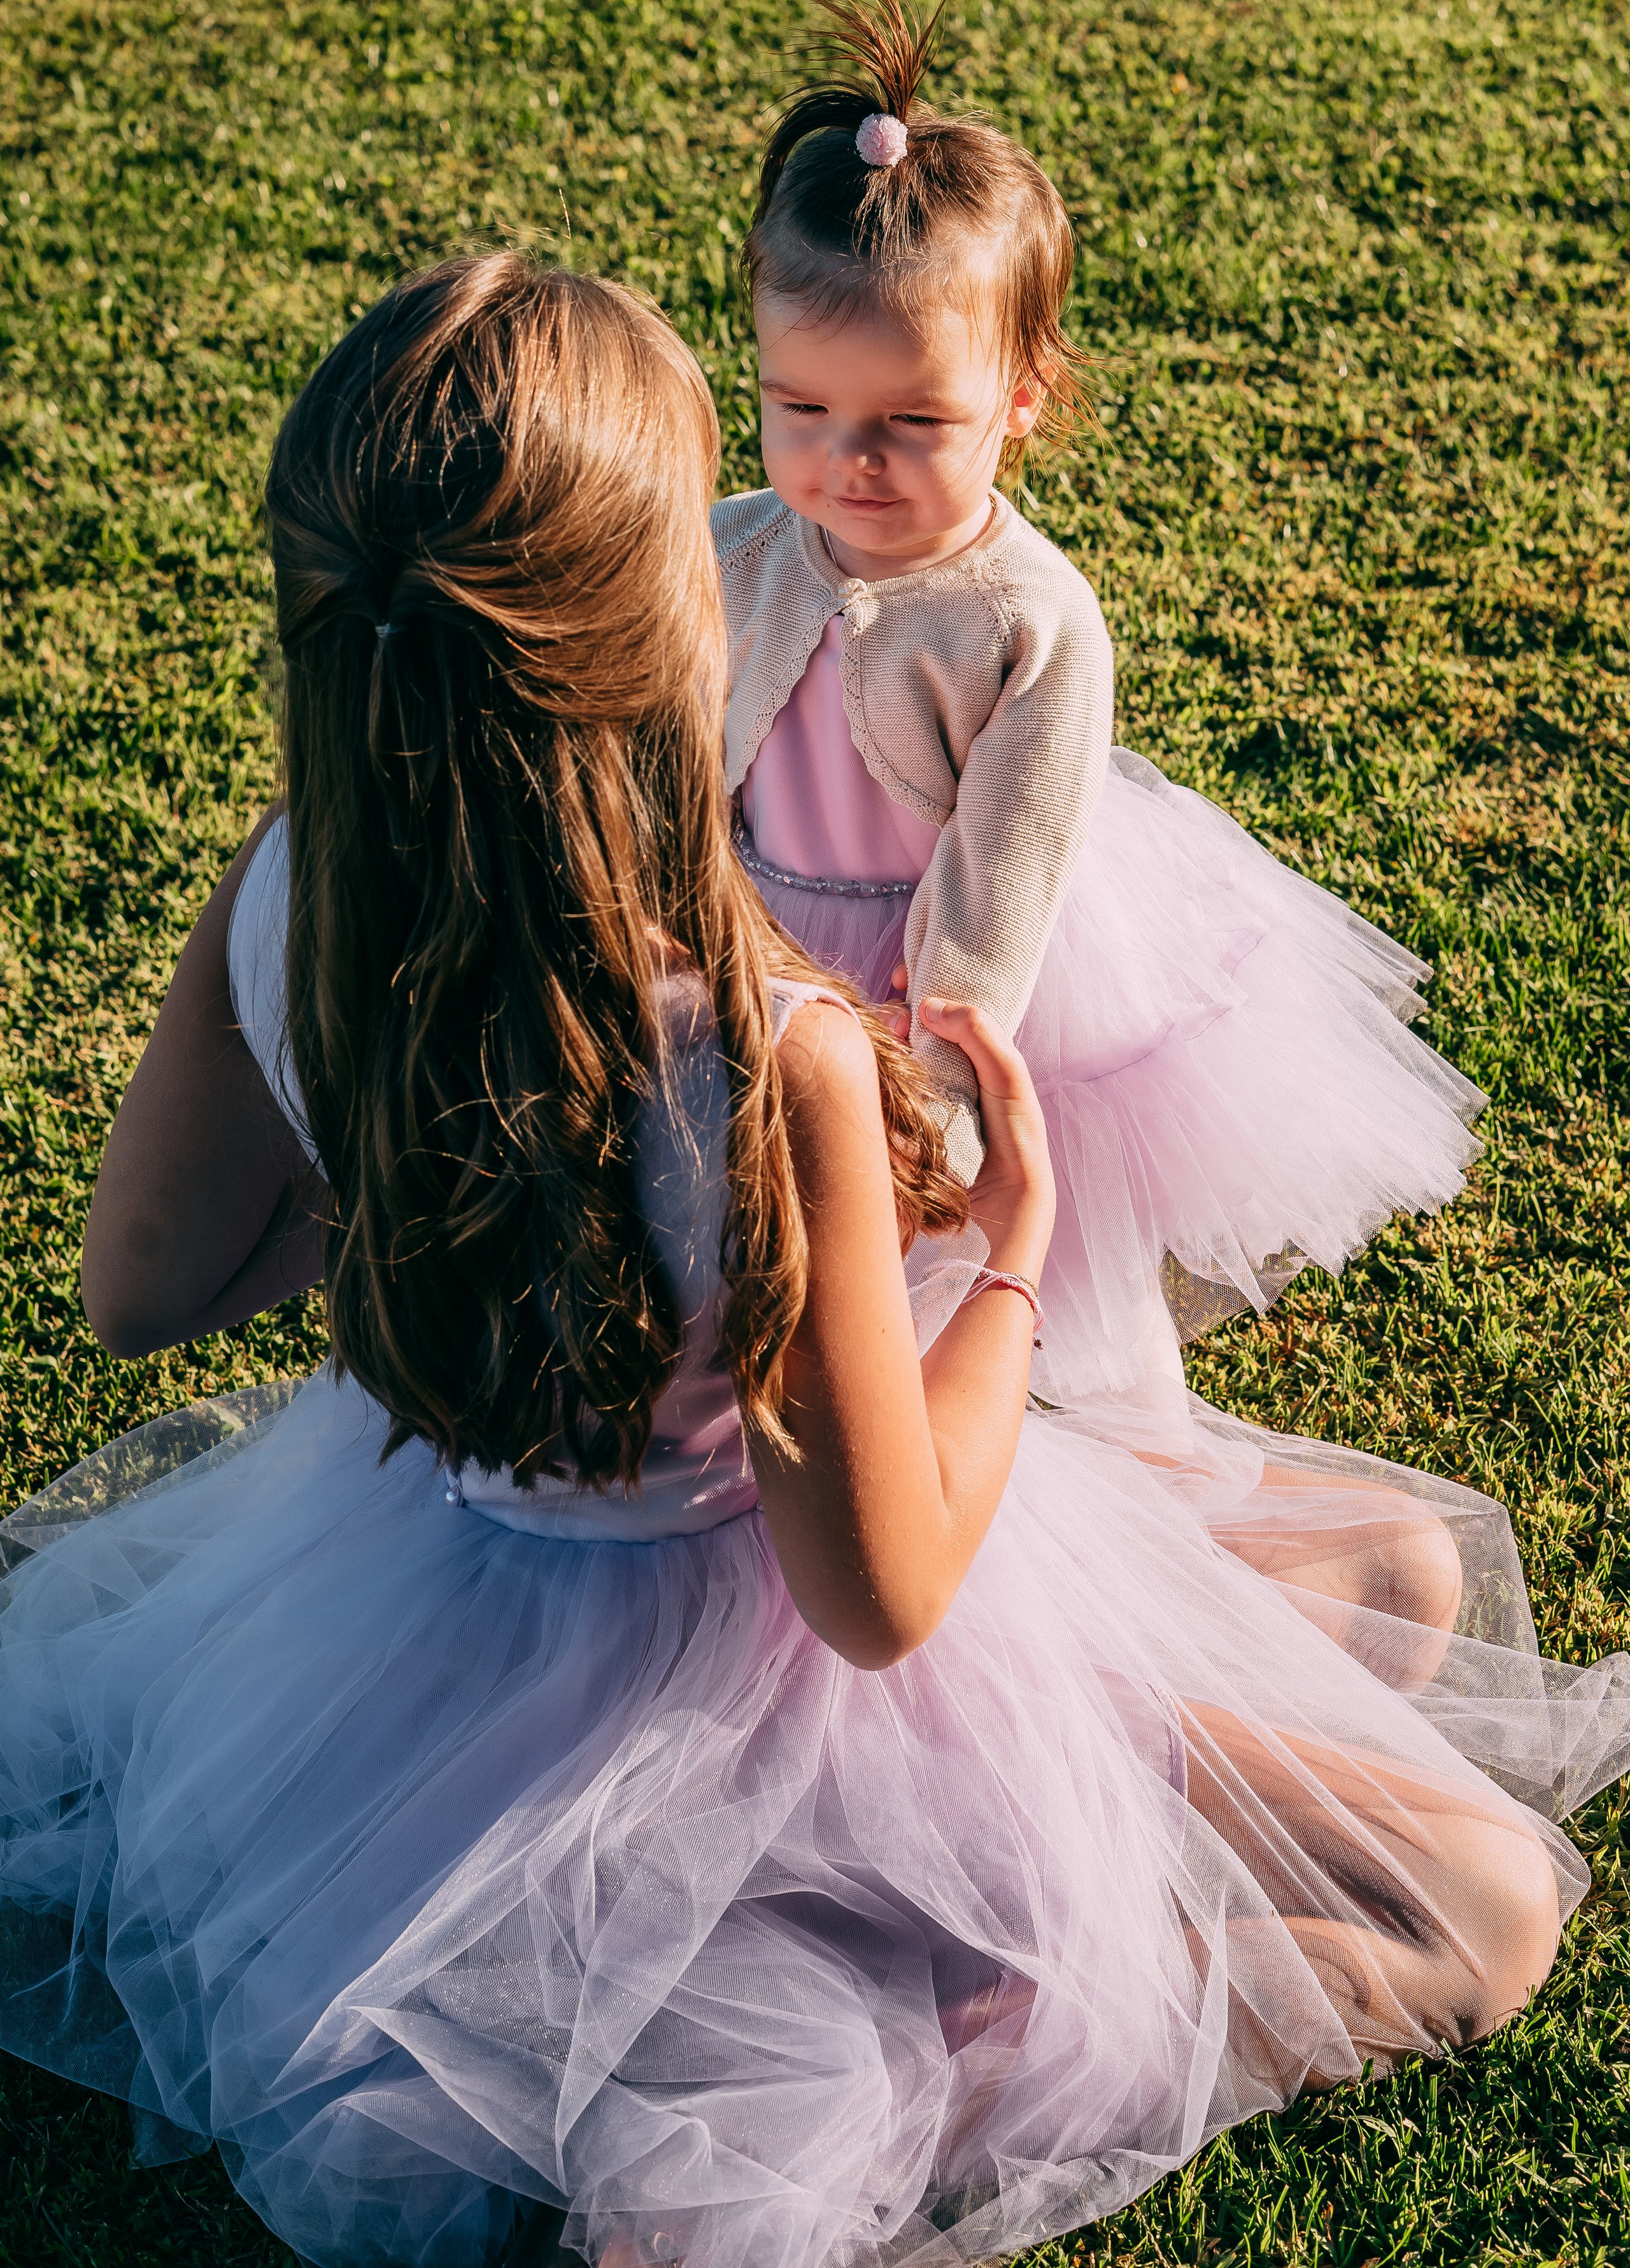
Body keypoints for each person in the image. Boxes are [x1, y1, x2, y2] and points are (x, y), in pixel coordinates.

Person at [0, 255, 1622, 2268]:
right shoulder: (761, 1057)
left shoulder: (295, 894)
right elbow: (880, 1593)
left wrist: (424, 1181)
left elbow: (142, 1288)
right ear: (666, 615)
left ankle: (772, 1987)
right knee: (1490, 1902)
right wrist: (1015, 1258)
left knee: (1392, 1579)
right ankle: (870, 2071)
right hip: (780, 1675)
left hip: (407, 1643)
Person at [719, 0, 1485, 1413]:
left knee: (960, 1316)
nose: (846, 462)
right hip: (747, 938)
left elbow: (999, 876)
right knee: (745, 1284)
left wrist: (930, 1090)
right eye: (799, 409)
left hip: (927, 973)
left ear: (1020, 393)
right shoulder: (735, 546)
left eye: (912, 422)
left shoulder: (1027, 622)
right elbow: (672, 756)